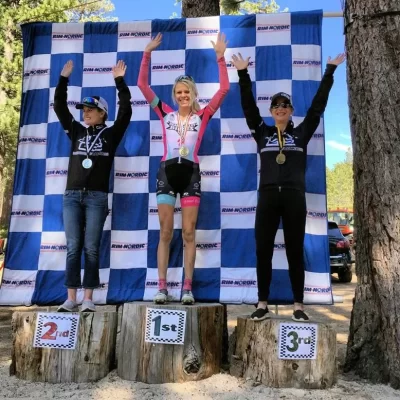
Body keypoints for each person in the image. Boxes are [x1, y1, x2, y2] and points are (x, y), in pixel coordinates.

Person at [231, 52, 346, 322]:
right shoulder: (262, 132)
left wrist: (329, 72)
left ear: (291, 111)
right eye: (276, 105)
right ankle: (262, 303)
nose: (280, 108)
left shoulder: (301, 133)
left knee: (295, 250)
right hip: (268, 197)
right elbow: (248, 107)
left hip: (294, 198)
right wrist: (243, 74)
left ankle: (298, 305)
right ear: (271, 112)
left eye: (285, 105)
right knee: (263, 250)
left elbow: (317, 108)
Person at [138, 32, 229, 305]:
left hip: (191, 174)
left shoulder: (203, 115)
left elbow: (224, 89)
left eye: (186, 91)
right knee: (165, 232)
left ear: (193, 93)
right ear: (174, 95)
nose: (182, 95)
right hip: (166, 173)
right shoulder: (164, 112)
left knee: (189, 233)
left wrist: (220, 58)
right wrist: (146, 53)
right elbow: (142, 85)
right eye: (179, 92)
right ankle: (162, 287)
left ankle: (187, 288)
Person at [54, 59, 132, 312]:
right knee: (73, 247)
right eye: (84, 109)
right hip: (71, 196)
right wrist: (63, 80)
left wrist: (119, 81)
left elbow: (126, 111)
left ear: (102, 113)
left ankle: (88, 298)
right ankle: (70, 298)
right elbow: (59, 107)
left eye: (91, 109)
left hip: (97, 197)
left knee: (91, 248)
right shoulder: (76, 131)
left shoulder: (110, 134)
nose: (85, 112)